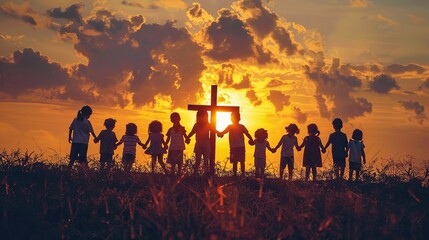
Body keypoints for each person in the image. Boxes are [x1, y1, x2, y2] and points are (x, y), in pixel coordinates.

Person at [217, 112, 254, 177]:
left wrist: (251, 140)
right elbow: (223, 132)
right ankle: (237, 174)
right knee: (236, 161)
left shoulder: (240, 126)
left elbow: (247, 134)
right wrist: (220, 134)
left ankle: (240, 174)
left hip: (238, 147)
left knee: (239, 161)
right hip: (236, 147)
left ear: (239, 118)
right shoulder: (231, 127)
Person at [68, 105, 96, 170]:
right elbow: (91, 131)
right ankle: (86, 171)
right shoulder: (87, 122)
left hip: (75, 142)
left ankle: (68, 170)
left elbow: (71, 129)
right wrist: (96, 138)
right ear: (87, 114)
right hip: (83, 143)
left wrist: (69, 137)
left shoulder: (75, 120)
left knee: (72, 158)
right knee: (83, 158)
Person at [187, 110, 215, 175]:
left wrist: (220, 133)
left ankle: (205, 173)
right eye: (200, 116)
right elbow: (192, 132)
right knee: (198, 160)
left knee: (206, 160)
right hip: (199, 145)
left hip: (206, 145)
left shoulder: (208, 125)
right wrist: (187, 137)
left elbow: (214, 130)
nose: (202, 118)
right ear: (198, 117)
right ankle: (195, 173)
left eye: (204, 116)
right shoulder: (196, 125)